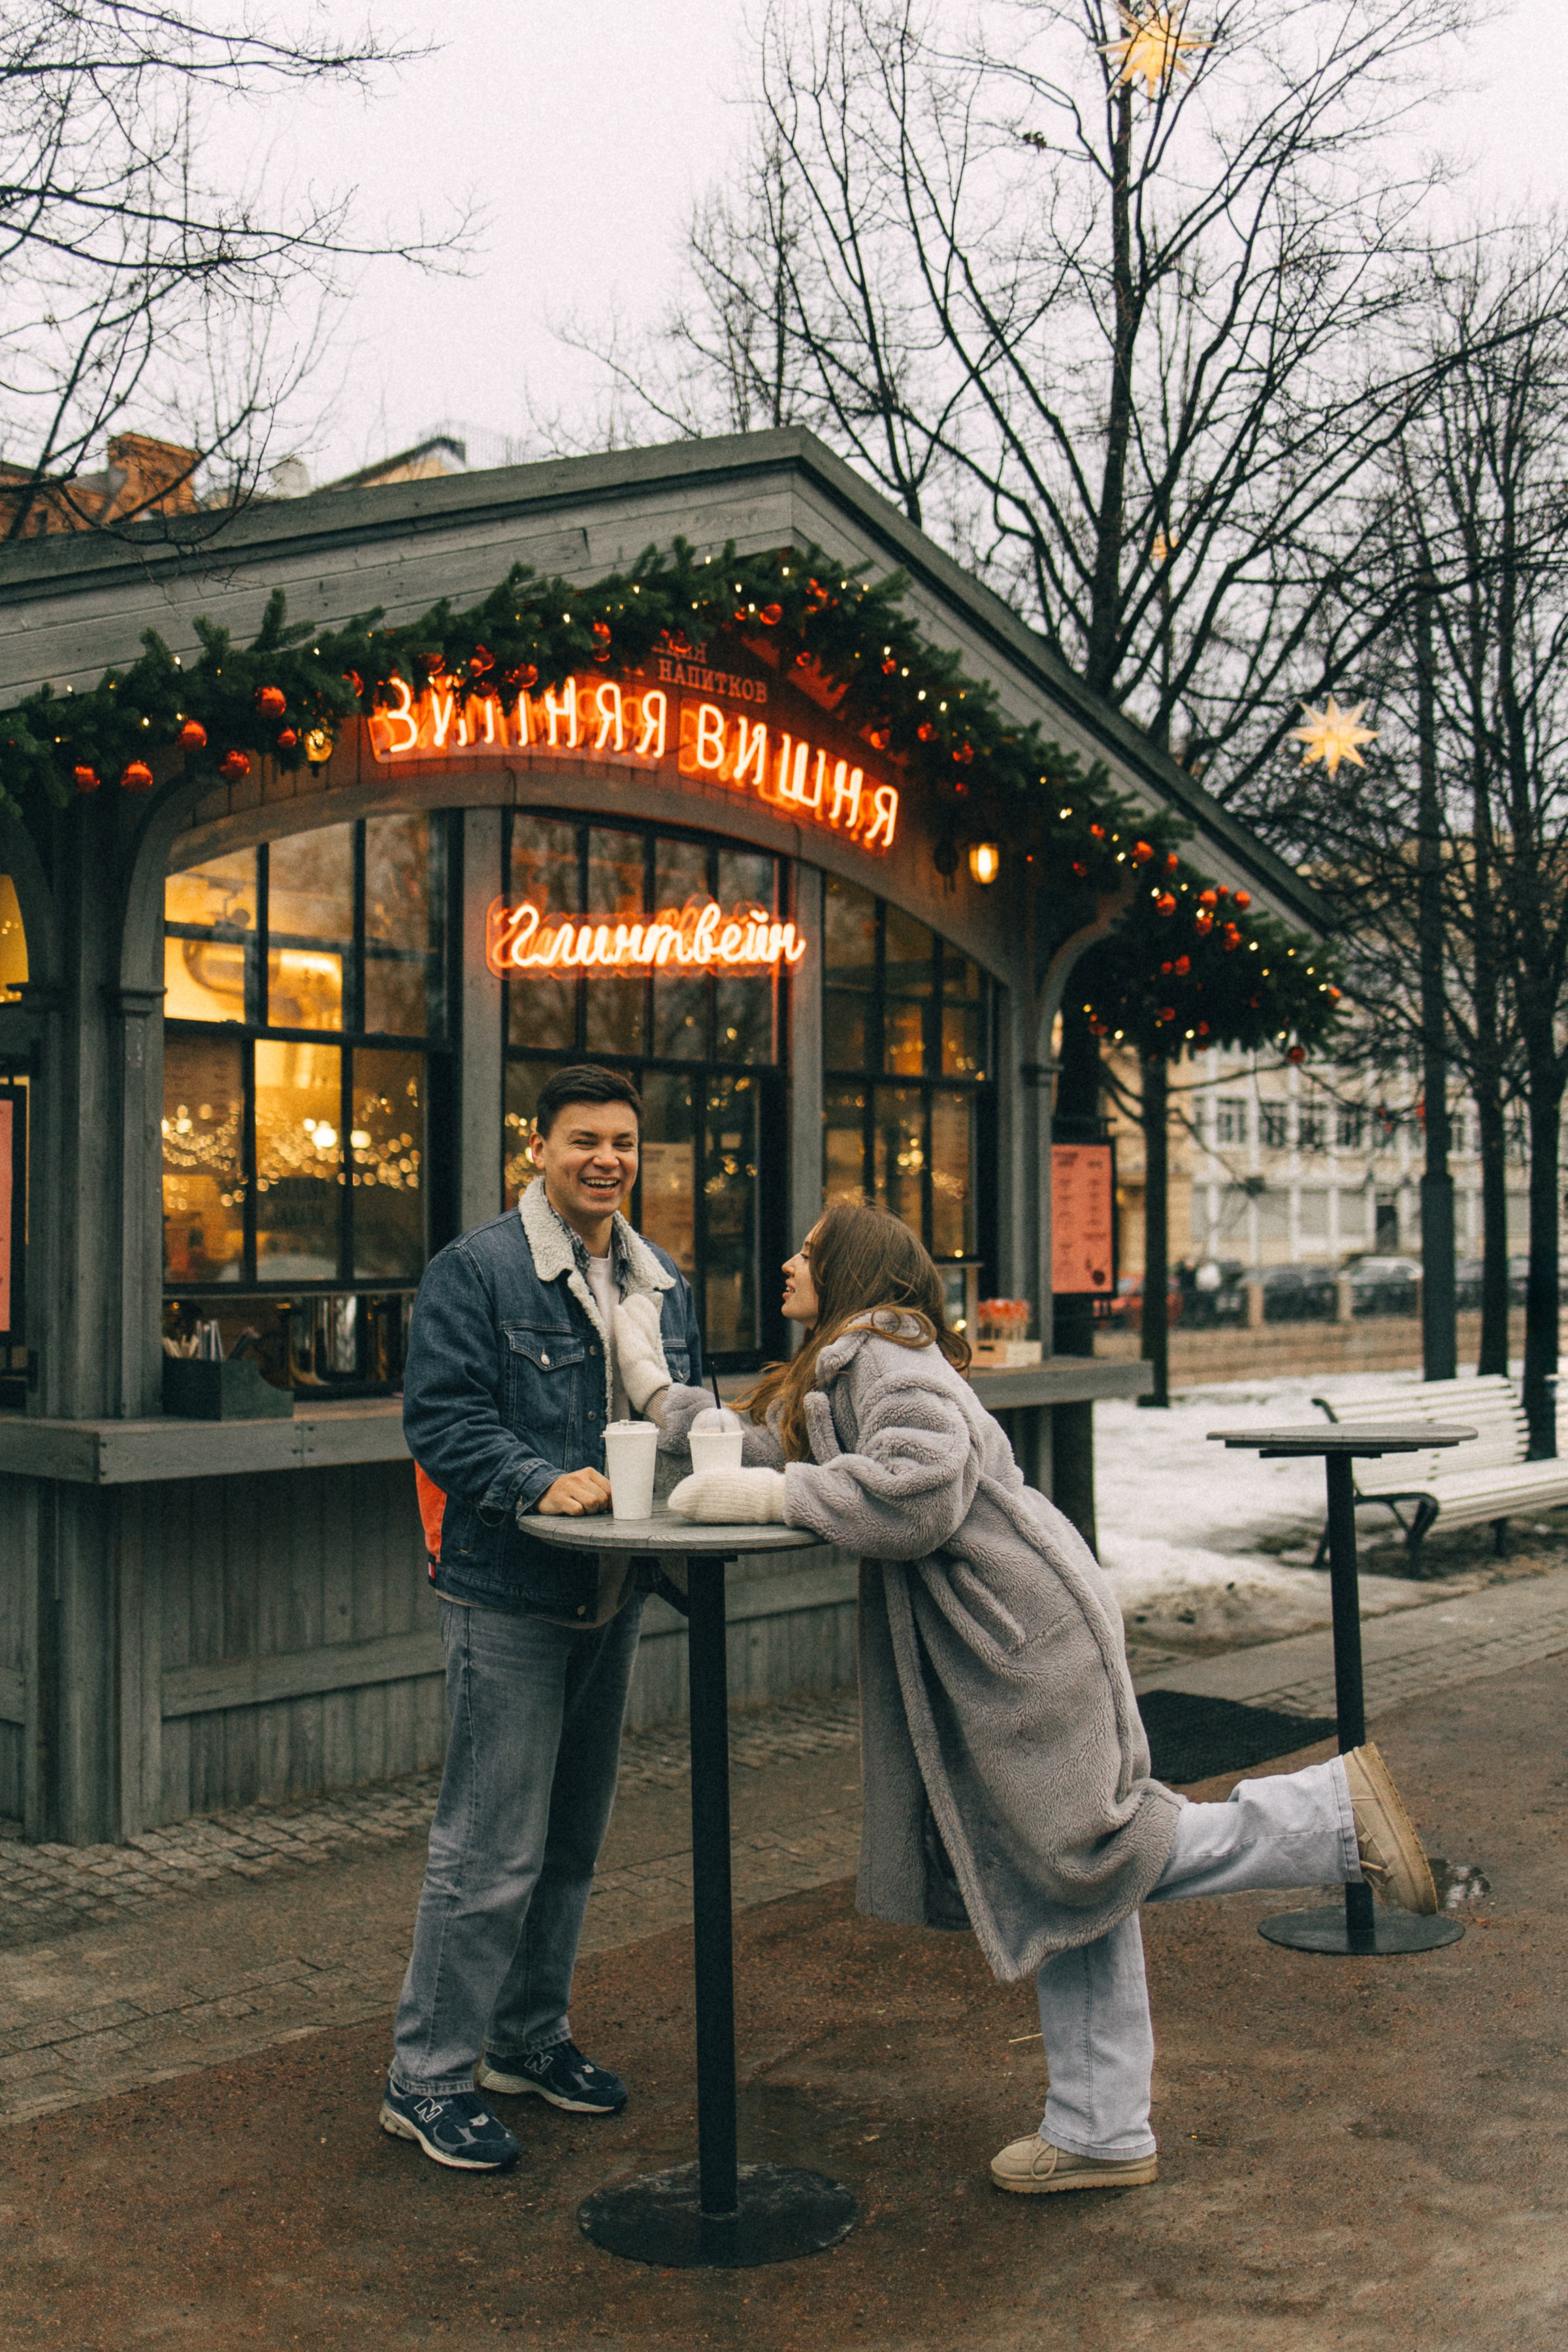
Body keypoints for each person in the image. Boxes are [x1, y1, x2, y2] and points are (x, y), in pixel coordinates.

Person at [614, 1200, 1439, 2196]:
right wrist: (656, 1389)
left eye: (809, 1252)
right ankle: (1101, 2129)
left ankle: (1327, 1821)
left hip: (1018, 1644)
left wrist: (780, 1500)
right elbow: (764, 1445)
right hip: (1014, 1638)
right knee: (1070, 1876)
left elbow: (916, 1491)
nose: (787, 1262)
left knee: (1082, 1855)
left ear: (854, 1273)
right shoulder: (850, 1366)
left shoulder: (888, 1358)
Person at [382, 1065, 702, 2172]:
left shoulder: (662, 1283)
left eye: (622, 1140)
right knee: (487, 1850)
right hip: (509, 1590)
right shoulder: (477, 1270)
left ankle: (525, 2040)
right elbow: (438, 1418)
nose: (606, 1158)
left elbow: (680, 1423)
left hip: (614, 1590)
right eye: (583, 1141)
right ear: (537, 1149)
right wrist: (534, 1478)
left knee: (570, 1844)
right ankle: (424, 2078)